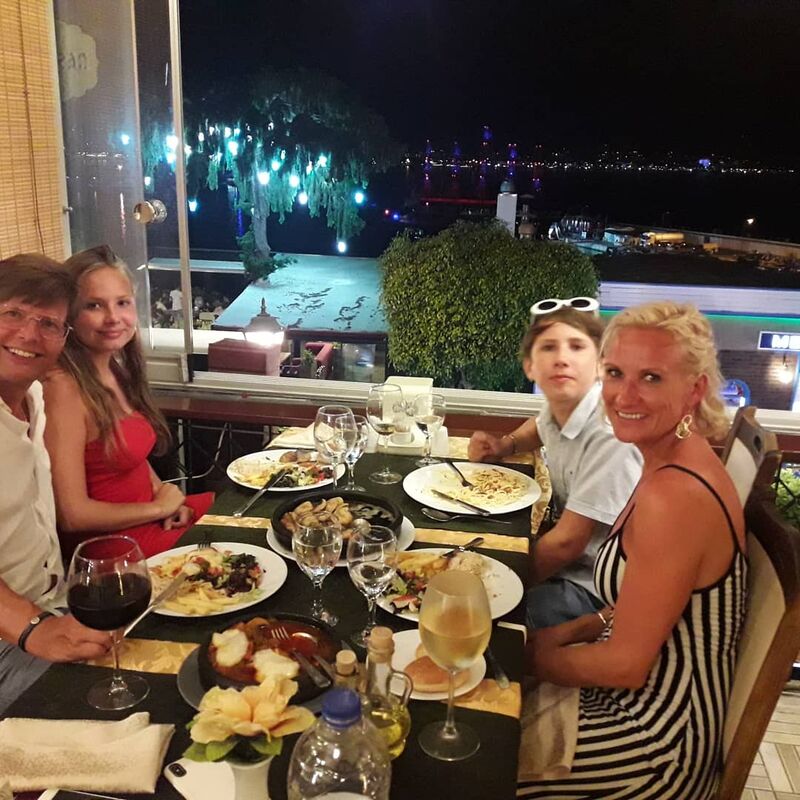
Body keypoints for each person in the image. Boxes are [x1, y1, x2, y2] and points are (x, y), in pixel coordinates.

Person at [518, 301, 744, 799]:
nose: (625, 395)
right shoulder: (664, 458)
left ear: (695, 389)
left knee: (470, 759)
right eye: (616, 373)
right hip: (639, 696)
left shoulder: (676, 495)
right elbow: (630, 608)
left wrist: (525, 657)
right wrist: (562, 635)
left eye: (652, 378)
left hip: (656, 740)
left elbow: (625, 666)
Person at [469, 304, 642, 627]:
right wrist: (505, 445)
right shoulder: (562, 406)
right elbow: (540, 426)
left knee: (482, 620)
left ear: (600, 365)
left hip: (600, 587)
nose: (562, 358)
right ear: (530, 366)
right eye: (549, 347)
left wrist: (494, 586)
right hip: (570, 564)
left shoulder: (610, 434)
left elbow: (567, 543)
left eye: (576, 347)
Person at [43, 246, 213, 561]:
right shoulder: (62, 388)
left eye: (122, 303)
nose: (113, 318)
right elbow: (72, 515)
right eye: (94, 305)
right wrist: (158, 507)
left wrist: (166, 497)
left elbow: (130, 458)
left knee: (256, 515)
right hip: (119, 551)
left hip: (153, 519)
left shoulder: (114, 368)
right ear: (68, 313)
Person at [0, 254, 110, 714]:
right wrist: (32, 628)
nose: (29, 335)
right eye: (12, 313)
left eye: (48, 323)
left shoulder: (36, 397)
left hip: (55, 603)